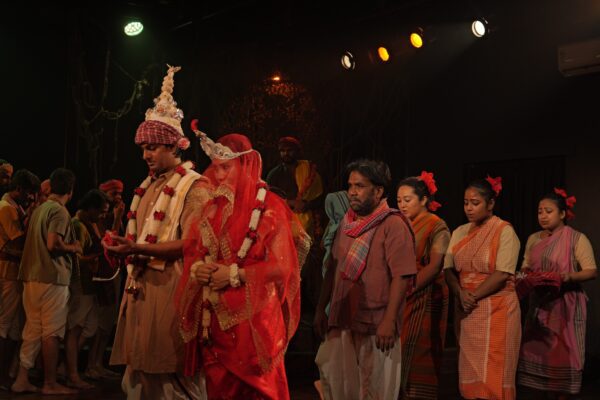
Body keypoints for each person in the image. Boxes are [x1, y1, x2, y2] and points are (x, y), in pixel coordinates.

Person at [177, 127, 309, 399]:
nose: (219, 175)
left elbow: (282, 268)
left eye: (226, 168)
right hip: (215, 322)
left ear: (245, 165)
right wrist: (199, 269)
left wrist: (234, 274)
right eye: (215, 168)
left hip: (255, 323)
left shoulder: (270, 207)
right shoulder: (213, 207)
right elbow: (197, 251)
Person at [103, 65, 208, 399]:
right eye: (143, 148)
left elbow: (192, 244)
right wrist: (122, 245)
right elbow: (140, 238)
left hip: (172, 290)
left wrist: (137, 249)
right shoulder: (148, 185)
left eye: (152, 147)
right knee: (138, 378)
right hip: (140, 288)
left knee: (170, 379)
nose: (145, 155)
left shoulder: (195, 187)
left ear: (175, 147)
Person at [314, 159, 417, 400]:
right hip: (343, 320)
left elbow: (401, 276)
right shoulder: (346, 223)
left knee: (376, 391)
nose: (352, 192)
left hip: (377, 325)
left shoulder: (393, 224)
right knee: (341, 388)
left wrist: (389, 321)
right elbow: (333, 268)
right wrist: (321, 309)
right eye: (350, 185)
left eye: (360, 186)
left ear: (378, 191)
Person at [443, 176, 521, 400]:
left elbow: (502, 273)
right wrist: (460, 293)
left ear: (490, 203)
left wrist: (473, 296)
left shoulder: (504, 230)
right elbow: (448, 269)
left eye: (475, 203)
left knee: (496, 369)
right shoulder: (459, 232)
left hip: (497, 309)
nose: (469, 208)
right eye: (466, 202)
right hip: (468, 309)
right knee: (471, 370)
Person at [517, 188, 597, 399]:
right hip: (540, 303)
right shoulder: (533, 239)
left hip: (566, 304)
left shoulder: (576, 238)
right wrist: (524, 277)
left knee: (564, 355)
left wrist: (567, 276)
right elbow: (525, 267)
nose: (543, 216)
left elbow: (591, 271)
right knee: (540, 353)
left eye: (548, 211)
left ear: (562, 214)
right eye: (540, 211)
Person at [12, 168, 82, 395]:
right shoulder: (59, 211)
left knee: (32, 329)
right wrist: (74, 247)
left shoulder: (39, 209)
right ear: (70, 191)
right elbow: (54, 244)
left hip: (31, 277)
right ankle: (50, 383)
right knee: (51, 332)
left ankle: (21, 379)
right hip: (52, 278)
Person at [396, 171, 450, 400]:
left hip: (424, 292)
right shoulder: (400, 225)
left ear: (424, 199)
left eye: (407, 200)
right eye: (399, 200)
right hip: (400, 294)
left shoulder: (437, 226)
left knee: (419, 348)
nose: (402, 205)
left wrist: (409, 288)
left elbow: (436, 265)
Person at [64, 189, 110, 390]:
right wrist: (95, 258)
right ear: (91, 208)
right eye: (101, 211)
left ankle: (67, 367)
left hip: (90, 285)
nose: (103, 216)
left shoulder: (88, 224)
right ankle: (71, 374)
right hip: (80, 284)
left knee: (90, 328)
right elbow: (76, 259)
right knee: (75, 330)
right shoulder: (78, 226)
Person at [0, 169, 40, 390]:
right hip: (7, 271)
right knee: (5, 324)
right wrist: (32, 216)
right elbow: (18, 241)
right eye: (29, 193)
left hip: (13, 271)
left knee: (13, 326)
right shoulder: (6, 208)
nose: (31, 197)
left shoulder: (14, 206)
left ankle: (7, 374)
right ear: (18, 189)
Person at [86, 179, 125, 380]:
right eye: (113, 194)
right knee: (100, 322)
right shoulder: (99, 219)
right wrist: (116, 219)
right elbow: (109, 243)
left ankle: (98, 363)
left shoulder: (113, 216)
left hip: (114, 273)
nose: (117, 198)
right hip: (102, 276)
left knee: (108, 322)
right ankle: (91, 364)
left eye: (119, 194)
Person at [266, 136, 323, 239]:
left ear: (297, 151)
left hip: (309, 223)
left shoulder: (309, 170)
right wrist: (291, 203)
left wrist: (307, 205)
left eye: (289, 150)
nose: (286, 153)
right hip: (283, 225)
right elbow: (268, 200)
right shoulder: (274, 174)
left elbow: (320, 197)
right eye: (282, 151)